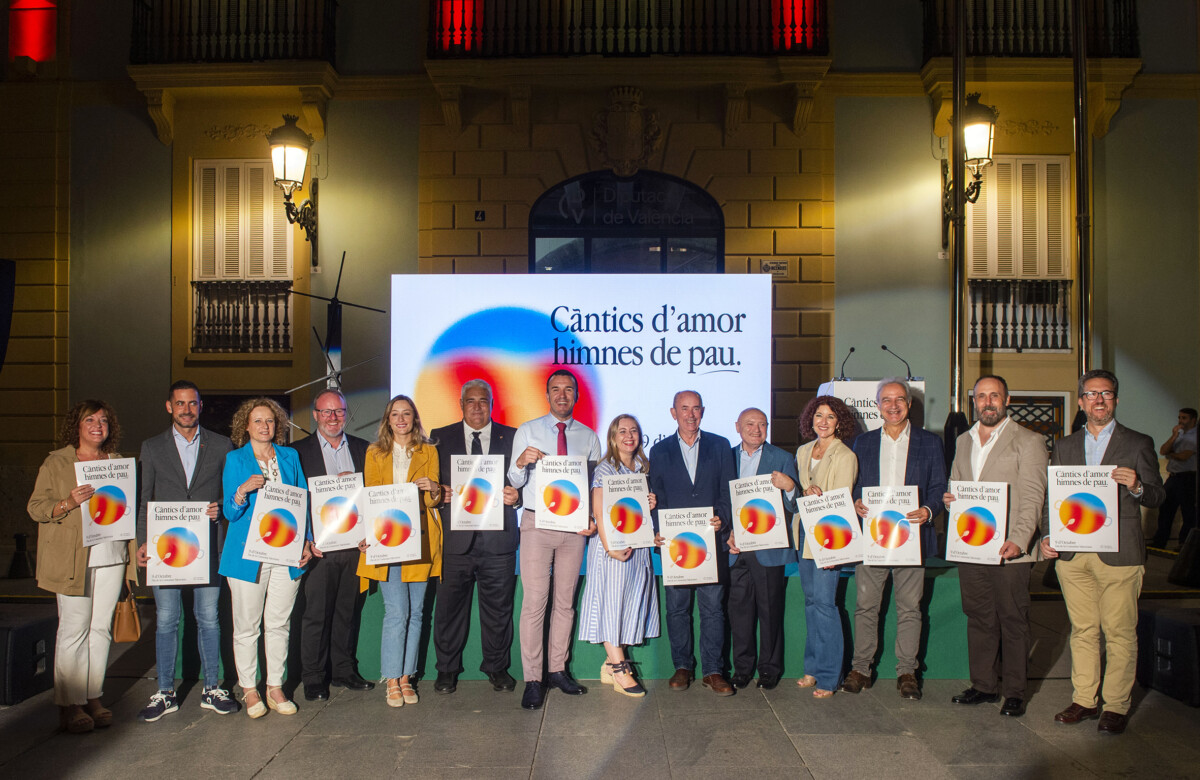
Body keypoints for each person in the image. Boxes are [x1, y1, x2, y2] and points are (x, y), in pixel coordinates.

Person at [1040, 369, 1165, 734]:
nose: (1099, 400)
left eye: (1106, 394)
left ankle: (1116, 706)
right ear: (1081, 402)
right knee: (1082, 630)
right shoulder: (1064, 446)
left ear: (1116, 400)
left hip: (1120, 554)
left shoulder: (1138, 442)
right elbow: (1052, 498)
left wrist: (1138, 485)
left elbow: (1158, 496)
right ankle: (1084, 699)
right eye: (1092, 394)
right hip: (1073, 555)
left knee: (1120, 632)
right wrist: (1047, 535)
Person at [28, 400, 138, 734]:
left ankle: (93, 696)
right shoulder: (57, 462)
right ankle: (70, 704)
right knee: (73, 629)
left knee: (101, 629)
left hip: (112, 554)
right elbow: (36, 507)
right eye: (90, 420)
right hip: (72, 557)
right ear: (76, 425)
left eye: (103, 420)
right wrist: (69, 502)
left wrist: (132, 558)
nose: (97, 426)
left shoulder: (117, 462)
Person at [944, 375, 1047, 718]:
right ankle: (984, 685)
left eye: (994, 396)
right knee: (979, 617)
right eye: (982, 396)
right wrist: (950, 500)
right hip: (972, 545)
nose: (988, 402)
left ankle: (1015, 692)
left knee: (1013, 620)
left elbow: (1033, 496)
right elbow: (957, 484)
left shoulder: (1029, 441)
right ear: (974, 401)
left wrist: (1020, 539)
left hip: (1009, 549)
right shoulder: (963, 440)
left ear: (1007, 399)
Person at [135, 380, 237, 721]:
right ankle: (165, 692)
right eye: (180, 403)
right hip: (165, 549)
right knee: (166, 619)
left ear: (200, 406)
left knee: (209, 618)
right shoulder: (152, 447)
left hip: (206, 546)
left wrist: (221, 506)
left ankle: (212, 688)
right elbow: (144, 500)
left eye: (192, 403)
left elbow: (231, 494)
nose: (186, 409)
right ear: (169, 407)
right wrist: (141, 542)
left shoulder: (221, 444)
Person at [843, 379, 946, 701]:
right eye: (886, 400)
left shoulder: (930, 442)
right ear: (877, 406)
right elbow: (854, 484)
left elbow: (939, 487)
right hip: (872, 538)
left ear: (909, 404)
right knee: (865, 607)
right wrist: (855, 501)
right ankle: (861, 669)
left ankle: (907, 672)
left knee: (910, 608)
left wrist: (929, 510)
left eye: (899, 399)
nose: (893, 405)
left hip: (911, 537)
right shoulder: (862, 443)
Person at [507, 369, 602, 710]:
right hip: (537, 522)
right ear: (547, 395)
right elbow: (514, 481)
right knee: (535, 602)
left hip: (574, 526)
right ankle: (533, 679)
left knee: (565, 602)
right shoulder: (528, 430)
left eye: (568, 389)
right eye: (556, 389)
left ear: (576, 395)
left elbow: (593, 486)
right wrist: (521, 462)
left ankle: (557, 670)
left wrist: (592, 518)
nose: (562, 395)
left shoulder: (589, 437)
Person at [220, 397, 311, 719]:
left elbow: (303, 501)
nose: (264, 426)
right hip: (247, 556)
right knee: (247, 626)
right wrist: (242, 490)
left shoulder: (290, 456)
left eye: (269, 421)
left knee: (279, 623)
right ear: (246, 426)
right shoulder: (235, 459)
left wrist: (307, 541)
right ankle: (249, 688)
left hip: (286, 553)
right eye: (257, 421)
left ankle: (275, 686)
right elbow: (230, 512)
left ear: (278, 425)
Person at [430, 379, 521, 695]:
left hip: (499, 541)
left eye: (483, 400)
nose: (477, 407)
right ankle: (446, 670)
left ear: (492, 404)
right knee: (448, 610)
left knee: (499, 611)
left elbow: (528, 481)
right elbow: (429, 482)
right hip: (455, 541)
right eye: (471, 401)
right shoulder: (440, 438)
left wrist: (518, 495)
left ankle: (497, 668)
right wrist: (437, 493)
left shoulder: (513, 437)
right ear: (461, 404)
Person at [357, 395, 443, 708]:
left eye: (407, 414)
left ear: (414, 419)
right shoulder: (374, 452)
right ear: (388, 420)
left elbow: (434, 501)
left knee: (417, 612)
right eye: (395, 414)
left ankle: (407, 677)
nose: (401, 419)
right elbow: (369, 496)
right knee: (397, 611)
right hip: (388, 540)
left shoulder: (429, 450)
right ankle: (391, 678)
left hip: (420, 540)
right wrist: (366, 534)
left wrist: (433, 488)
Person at [649, 390, 735, 696]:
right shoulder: (659, 451)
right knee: (677, 609)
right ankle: (682, 667)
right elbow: (655, 497)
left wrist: (722, 518)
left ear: (703, 411)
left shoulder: (720, 445)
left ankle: (713, 671)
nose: (690, 414)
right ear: (673, 413)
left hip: (711, 542)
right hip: (675, 545)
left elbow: (728, 491)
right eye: (684, 409)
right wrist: (657, 528)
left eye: (696, 408)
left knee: (713, 610)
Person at [292, 388, 373, 702]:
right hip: (319, 548)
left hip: (354, 546)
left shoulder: (364, 449)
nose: (332, 417)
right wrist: (305, 539)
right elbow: (294, 500)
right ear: (315, 415)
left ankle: (343, 671)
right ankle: (313, 678)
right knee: (316, 614)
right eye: (326, 411)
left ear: (346, 414)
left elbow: (373, 495)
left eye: (338, 411)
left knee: (347, 612)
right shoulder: (298, 452)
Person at [579, 414, 660, 697]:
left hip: (637, 547)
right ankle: (619, 669)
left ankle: (608, 664)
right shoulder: (605, 469)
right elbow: (599, 511)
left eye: (634, 431)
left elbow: (633, 510)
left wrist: (650, 502)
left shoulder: (641, 468)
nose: (629, 436)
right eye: (622, 431)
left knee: (628, 605)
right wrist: (609, 547)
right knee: (612, 605)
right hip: (612, 548)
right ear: (613, 437)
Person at [726, 407, 798, 691]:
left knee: (770, 612)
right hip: (736, 549)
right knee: (739, 613)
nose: (756, 430)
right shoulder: (726, 457)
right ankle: (742, 669)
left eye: (762, 424)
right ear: (737, 426)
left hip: (769, 548)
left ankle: (770, 669)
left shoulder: (782, 458)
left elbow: (794, 505)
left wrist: (789, 486)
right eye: (750, 424)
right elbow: (721, 501)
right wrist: (726, 533)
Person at [793, 395, 858, 699]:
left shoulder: (845, 455)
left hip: (828, 537)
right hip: (804, 534)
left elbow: (840, 505)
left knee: (825, 605)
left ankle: (830, 677)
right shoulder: (803, 451)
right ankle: (813, 667)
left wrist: (833, 552)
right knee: (810, 603)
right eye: (819, 415)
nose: (823, 421)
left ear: (839, 422)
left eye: (830, 417)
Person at [1151, 407, 1197, 549]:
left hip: (1188, 477)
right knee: (1165, 509)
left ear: (1193, 420)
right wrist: (1174, 436)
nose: (1180, 421)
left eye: (1184, 418)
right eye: (1179, 417)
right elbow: (1163, 450)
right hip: (1173, 477)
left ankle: (1184, 545)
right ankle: (1160, 542)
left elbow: (1184, 456)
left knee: (1188, 512)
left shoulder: (1196, 436)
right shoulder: (1179, 434)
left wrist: (1171, 454)